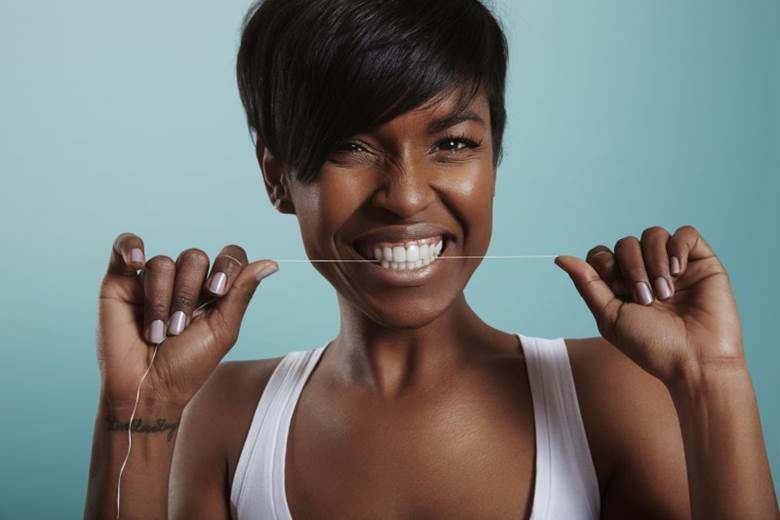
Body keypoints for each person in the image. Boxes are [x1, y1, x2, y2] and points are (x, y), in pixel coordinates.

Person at [84, 0, 778, 518]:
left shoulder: (614, 398)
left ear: (494, 157)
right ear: (276, 176)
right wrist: (135, 408)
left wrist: (712, 378)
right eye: (351, 147)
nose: (407, 195)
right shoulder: (222, 417)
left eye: (452, 144)